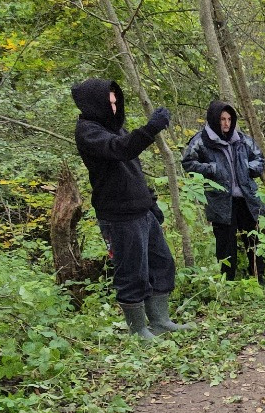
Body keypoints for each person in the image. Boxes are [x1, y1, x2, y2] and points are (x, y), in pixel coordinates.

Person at [70, 78, 187, 339]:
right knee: (132, 272)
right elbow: (120, 150)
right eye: (109, 103)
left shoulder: (117, 129)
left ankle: (160, 321)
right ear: (94, 104)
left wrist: (150, 202)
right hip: (118, 216)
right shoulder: (89, 132)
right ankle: (139, 331)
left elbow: (133, 169)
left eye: (116, 102)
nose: (114, 108)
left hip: (141, 210)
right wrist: (150, 129)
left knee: (162, 264)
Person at [180, 100, 265, 280]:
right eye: (222, 119)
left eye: (229, 119)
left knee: (254, 239)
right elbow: (188, 163)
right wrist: (212, 169)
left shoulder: (242, 140)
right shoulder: (201, 141)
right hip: (220, 201)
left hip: (246, 198)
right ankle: (227, 283)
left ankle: (258, 277)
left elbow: (260, 159)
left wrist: (247, 168)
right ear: (214, 119)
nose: (226, 123)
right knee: (225, 244)